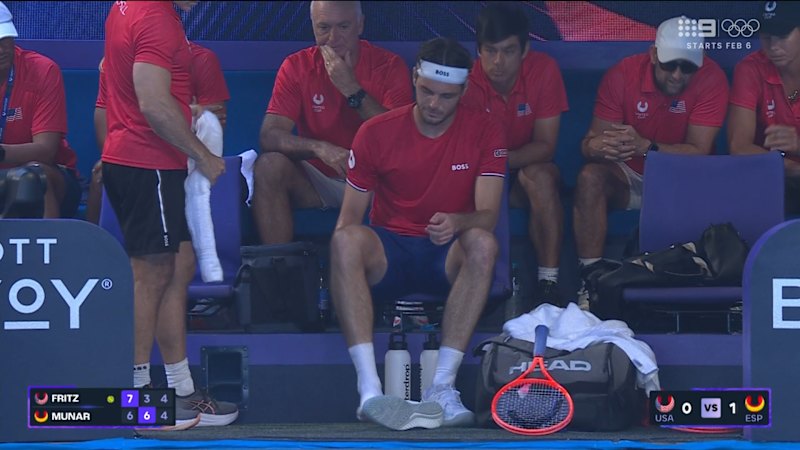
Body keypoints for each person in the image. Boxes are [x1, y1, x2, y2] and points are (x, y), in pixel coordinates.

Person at [330, 37, 508, 430]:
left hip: (444, 254)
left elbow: (488, 216)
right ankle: (369, 390)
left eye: (446, 96)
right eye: (426, 91)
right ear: (414, 77)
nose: (433, 104)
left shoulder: (485, 129)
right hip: (389, 253)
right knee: (344, 241)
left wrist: (459, 222)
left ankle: (442, 387)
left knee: (483, 242)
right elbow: (348, 221)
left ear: (464, 90)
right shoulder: (375, 132)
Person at [101, 1, 237, 430]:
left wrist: (187, 114)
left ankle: (179, 388)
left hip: (144, 159)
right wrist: (204, 155)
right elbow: (153, 103)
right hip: (147, 162)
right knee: (152, 273)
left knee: (178, 266)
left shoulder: (129, 7)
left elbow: (139, 89)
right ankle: (139, 396)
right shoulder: (156, 18)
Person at [573, 16, 728, 309]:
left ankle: (695, 291)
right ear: (654, 54)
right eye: (670, 65)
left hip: (683, 180)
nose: (678, 75)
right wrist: (597, 147)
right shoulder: (624, 75)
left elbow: (699, 151)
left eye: (688, 67)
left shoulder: (711, 78)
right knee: (590, 177)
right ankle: (590, 280)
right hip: (628, 173)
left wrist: (647, 147)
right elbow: (589, 144)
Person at [251, 0, 412, 244]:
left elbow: (400, 139)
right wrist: (320, 148)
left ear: (360, 25)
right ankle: (278, 265)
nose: (333, 38)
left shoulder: (389, 65)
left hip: (375, 182)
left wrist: (350, 88)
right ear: (313, 27)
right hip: (321, 179)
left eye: (343, 27)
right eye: (324, 28)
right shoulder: (297, 66)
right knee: (269, 165)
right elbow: (269, 135)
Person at [461, 2, 569, 306]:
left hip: (520, 172)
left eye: (508, 51)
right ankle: (471, 286)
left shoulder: (544, 70)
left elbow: (545, 146)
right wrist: (489, 167)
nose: (498, 62)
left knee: (541, 176)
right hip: (477, 179)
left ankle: (548, 284)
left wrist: (496, 159)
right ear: (478, 50)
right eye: (490, 51)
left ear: (524, 50)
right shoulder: (465, 81)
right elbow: (461, 154)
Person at [87, 40, 230, 224]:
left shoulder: (202, 59)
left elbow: (213, 129)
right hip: (134, 151)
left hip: (189, 156)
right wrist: (186, 112)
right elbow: (105, 126)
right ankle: (91, 241)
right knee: (103, 172)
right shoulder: (113, 62)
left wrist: (155, 118)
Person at [0, 2, 82, 218]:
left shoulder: (42, 70)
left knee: (30, 176)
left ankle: (47, 240)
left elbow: (46, 150)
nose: (1, 50)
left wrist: (1, 152)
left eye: (5, 39)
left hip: (50, 174)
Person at [728, 1, 800, 214]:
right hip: (771, 177)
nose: (773, 46)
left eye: (783, 35)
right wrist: (793, 168)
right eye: (767, 36)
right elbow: (739, 147)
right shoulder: (750, 69)